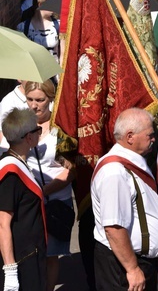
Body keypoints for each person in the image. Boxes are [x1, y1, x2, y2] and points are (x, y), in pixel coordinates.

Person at [91, 108, 158, 291]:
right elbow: (114, 227)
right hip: (122, 267)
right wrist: (132, 268)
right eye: (150, 135)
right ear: (130, 137)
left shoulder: (131, 163)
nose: (153, 139)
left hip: (137, 262)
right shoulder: (115, 172)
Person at [25, 80, 74, 291]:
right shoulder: (22, 122)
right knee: (29, 253)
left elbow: (71, 171)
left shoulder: (61, 126)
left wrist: (43, 191)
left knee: (51, 255)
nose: (34, 105)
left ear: (51, 99)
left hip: (56, 201)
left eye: (40, 100)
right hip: (28, 200)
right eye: (30, 99)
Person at [0, 108, 46, 291]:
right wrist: (10, 270)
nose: (40, 133)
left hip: (30, 255)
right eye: (38, 130)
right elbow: (3, 223)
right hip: (22, 260)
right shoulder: (11, 173)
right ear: (29, 137)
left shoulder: (19, 162)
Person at [17, 0, 60, 64]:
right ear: (40, 5)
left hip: (54, 72)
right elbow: (20, 55)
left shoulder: (58, 25)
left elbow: (63, 53)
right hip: (32, 71)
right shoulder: (23, 28)